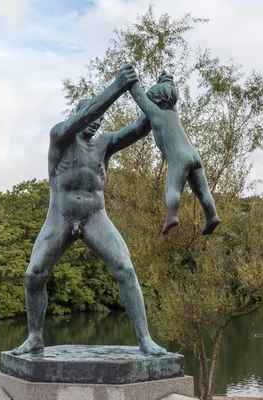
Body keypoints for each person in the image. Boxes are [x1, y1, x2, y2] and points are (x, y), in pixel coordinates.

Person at [12, 64, 167, 356]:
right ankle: (35, 337)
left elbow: (139, 128)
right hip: (60, 217)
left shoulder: (104, 144)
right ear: (79, 117)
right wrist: (117, 85)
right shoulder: (59, 136)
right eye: (92, 117)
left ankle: (145, 339)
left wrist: (157, 102)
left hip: (96, 217)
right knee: (34, 274)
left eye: (100, 120)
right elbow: (88, 112)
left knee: (125, 268)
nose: (96, 123)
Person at [128, 71, 220, 235]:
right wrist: (167, 81)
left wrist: (130, 82)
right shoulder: (174, 113)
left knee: (173, 188)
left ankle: (172, 216)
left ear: (154, 100)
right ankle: (211, 216)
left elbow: (139, 96)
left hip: (179, 157)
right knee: (203, 191)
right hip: (194, 155)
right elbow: (171, 95)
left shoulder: (156, 113)